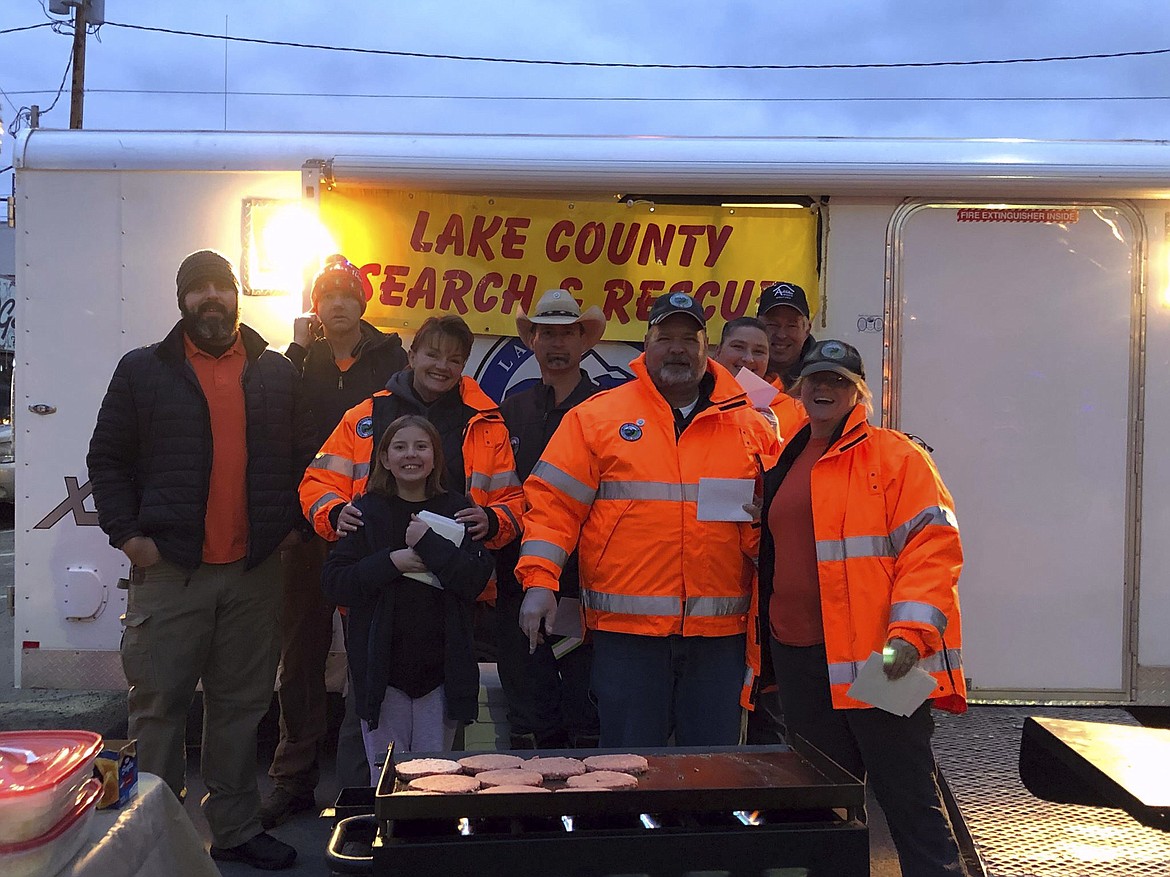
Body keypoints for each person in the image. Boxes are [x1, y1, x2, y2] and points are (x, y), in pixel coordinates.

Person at [87, 249, 312, 871]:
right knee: (158, 706)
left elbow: (304, 457)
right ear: (182, 300)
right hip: (170, 572)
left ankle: (235, 830)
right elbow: (106, 459)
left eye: (222, 287)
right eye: (199, 289)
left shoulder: (274, 372)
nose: (212, 298)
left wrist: (291, 528)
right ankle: (145, 834)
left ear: (237, 295)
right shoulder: (142, 371)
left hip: (253, 572)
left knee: (240, 707)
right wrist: (130, 537)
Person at [517, 292, 778, 748]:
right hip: (627, 636)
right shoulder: (596, 417)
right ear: (645, 344)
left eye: (688, 338)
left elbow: (773, 530)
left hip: (719, 636)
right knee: (630, 768)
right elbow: (552, 507)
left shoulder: (751, 426)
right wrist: (540, 582)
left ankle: (703, 823)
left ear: (707, 348)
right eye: (665, 337)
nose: (677, 348)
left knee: (710, 772)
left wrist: (760, 525)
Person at [758, 339, 968, 877]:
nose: (824, 389)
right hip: (802, 658)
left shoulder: (896, 455)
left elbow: (933, 548)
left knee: (907, 794)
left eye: (838, 381)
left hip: (885, 659)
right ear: (799, 388)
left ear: (860, 394)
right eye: (815, 380)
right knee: (828, 804)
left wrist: (909, 638)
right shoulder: (787, 456)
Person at [262, 254, 407, 826]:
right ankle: (292, 778)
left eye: (348, 293)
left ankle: (383, 778)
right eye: (327, 295)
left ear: (363, 302)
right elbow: (277, 439)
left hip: (371, 532)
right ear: (316, 307)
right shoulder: (299, 363)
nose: (338, 303)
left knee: (378, 652)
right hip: (308, 529)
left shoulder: (393, 360)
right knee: (300, 658)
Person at [322, 415, 493, 783]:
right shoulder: (364, 512)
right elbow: (337, 582)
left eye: (421, 446)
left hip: (440, 677)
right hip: (383, 677)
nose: (410, 455)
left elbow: (474, 580)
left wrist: (429, 544)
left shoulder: (459, 510)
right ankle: (385, 838)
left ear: (435, 456)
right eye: (399, 447)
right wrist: (393, 562)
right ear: (384, 458)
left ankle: (429, 840)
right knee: (386, 779)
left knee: (435, 779)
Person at [300, 314, 523, 552]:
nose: (442, 366)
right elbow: (318, 482)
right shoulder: (366, 416)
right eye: (433, 355)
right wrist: (335, 513)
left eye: (454, 359)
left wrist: (492, 521)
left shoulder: (486, 422)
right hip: (374, 566)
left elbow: (512, 501)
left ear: (463, 366)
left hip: (454, 570)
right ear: (412, 357)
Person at [495, 289, 606, 749]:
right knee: (527, 703)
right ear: (531, 341)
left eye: (566, 334)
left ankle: (586, 813)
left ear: (584, 341)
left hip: (584, 581)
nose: (556, 344)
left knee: (585, 705)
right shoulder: (512, 408)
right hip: (516, 579)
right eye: (546, 333)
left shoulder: (604, 410)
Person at [711, 315, 805, 440]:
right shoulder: (694, 400)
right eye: (738, 347)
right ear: (718, 352)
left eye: (758, 351)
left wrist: (775, 443)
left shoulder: (796, 411)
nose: (748, 359)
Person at [757, 281, 816, 392]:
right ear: (758, 326)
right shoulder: (740, 366)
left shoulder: (822, 376)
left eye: (792, 326)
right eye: (772, 324)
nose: (781, 335)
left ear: (807, 329)